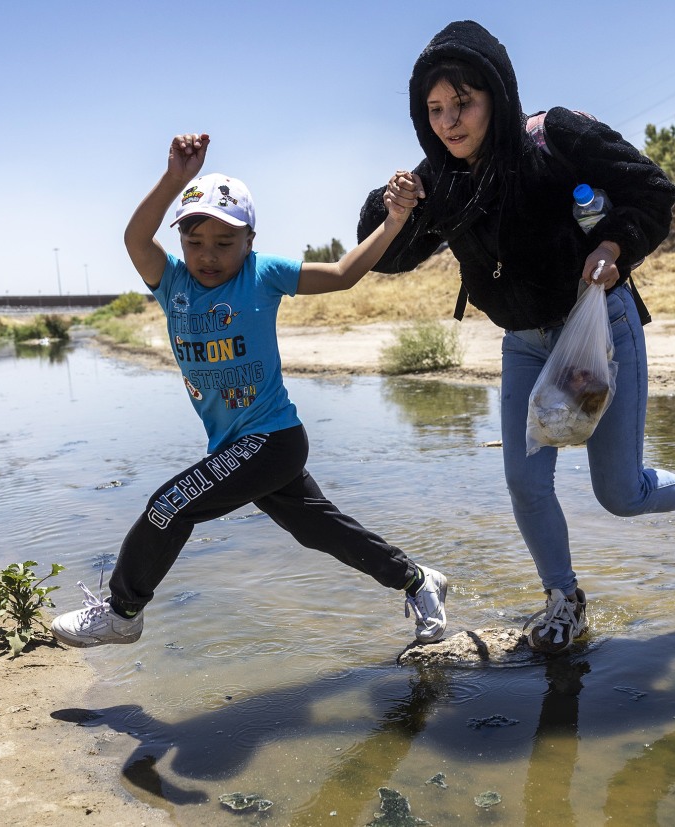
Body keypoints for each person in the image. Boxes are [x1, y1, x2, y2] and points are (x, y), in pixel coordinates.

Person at [357, 21, 675, 655]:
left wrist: (614, 243)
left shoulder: (555, 136)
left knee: (620, 493)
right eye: (434, 109)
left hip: (599, 330)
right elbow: (388, 255)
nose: (449, 121)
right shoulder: (440, 179)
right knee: (525, 482)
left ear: (495, 92)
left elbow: (652, 189)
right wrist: (394, 208)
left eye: (463, 101)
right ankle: (564, 601)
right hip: (523, 344)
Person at [52, 133, 449, 648]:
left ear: (250, 241)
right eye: (194, 243)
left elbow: (345, 274)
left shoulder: (263, 276)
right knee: (318, 530)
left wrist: (395, 219)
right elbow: (134, 238)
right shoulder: (174, 285)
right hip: (235, 446)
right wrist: (176, 178)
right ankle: (418, 579)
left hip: (272, 439)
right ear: (180, 244)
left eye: (224, 243)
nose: (208, 256)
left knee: (169, 506)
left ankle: (123, 612)